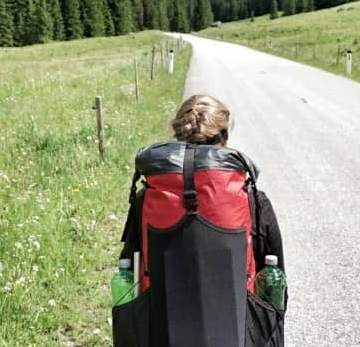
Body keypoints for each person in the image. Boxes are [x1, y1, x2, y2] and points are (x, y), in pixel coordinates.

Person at [120, 94, 285, 274]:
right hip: (237, 303)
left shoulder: (147, 198)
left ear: (178, 142)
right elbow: (277, 277)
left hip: (161, 303)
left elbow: (128, 267)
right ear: (225, 141)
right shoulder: (254, 201)